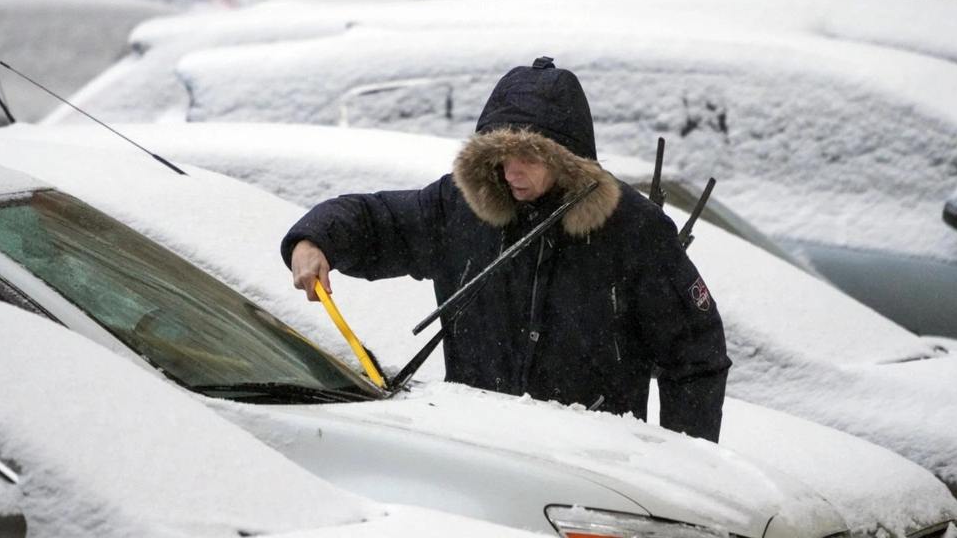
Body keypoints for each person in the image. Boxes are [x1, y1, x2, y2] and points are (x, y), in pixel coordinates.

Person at [283, 57, 730, 441]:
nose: (511, 172)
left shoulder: (633, 231)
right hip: (480, 448)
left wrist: (683, 469)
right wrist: (316, 239)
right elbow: (378, 220)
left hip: (596, 466)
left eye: (529, 159)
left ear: (567, 162)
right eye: (501, 157)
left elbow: (696, 355)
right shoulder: (460, 210)